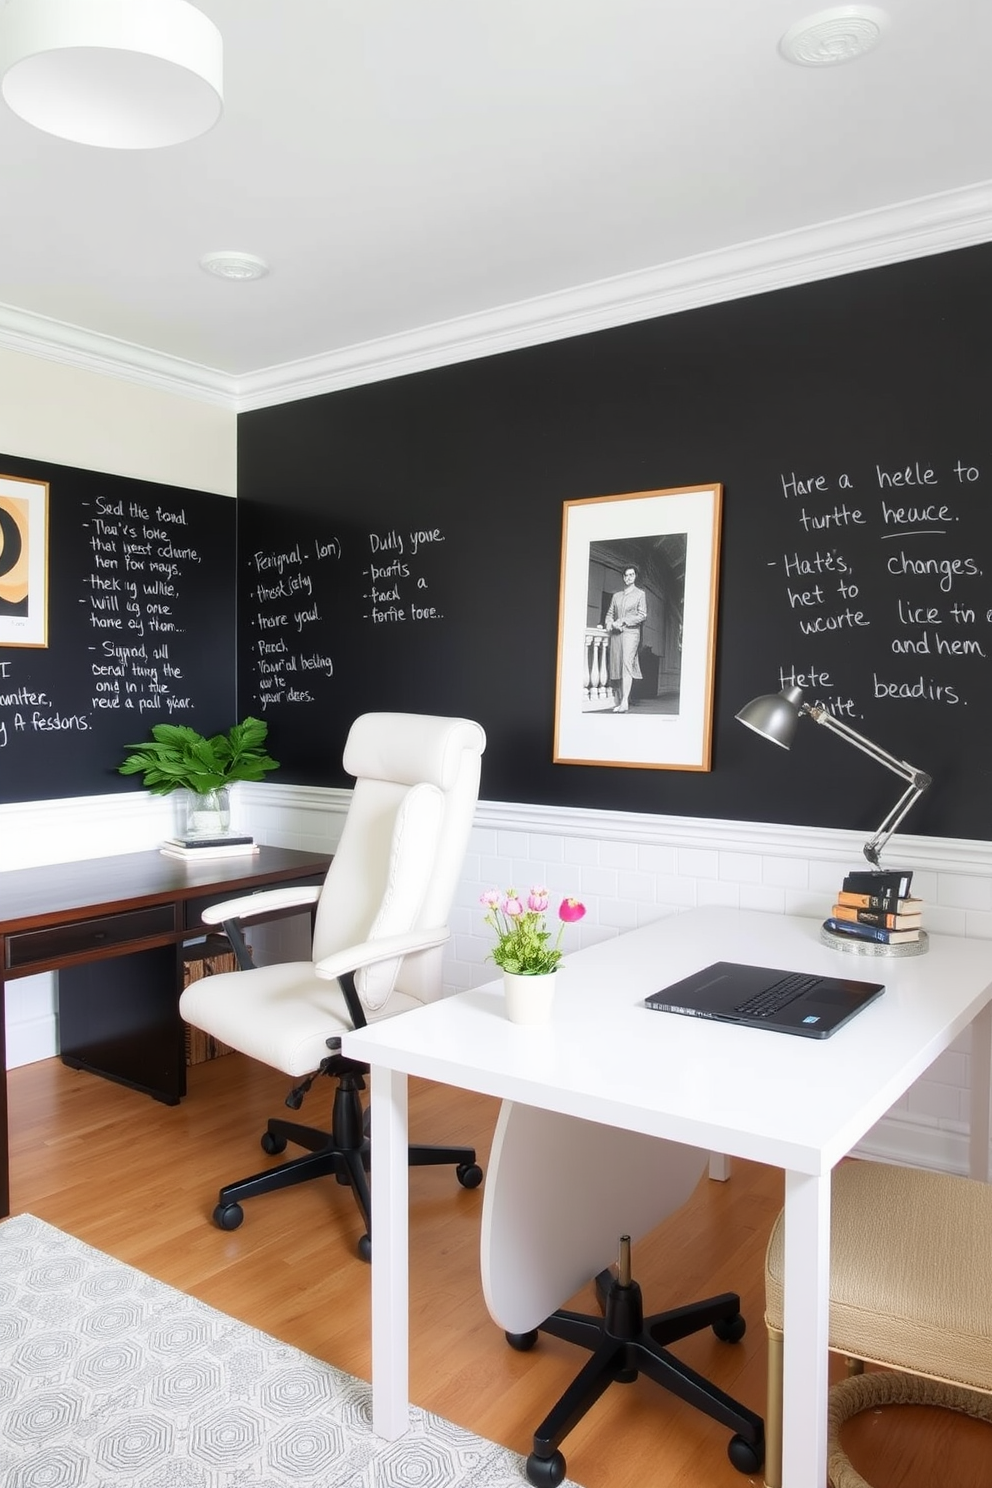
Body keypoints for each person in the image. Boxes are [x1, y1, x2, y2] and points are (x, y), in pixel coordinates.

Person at [605, 565, 647, 713]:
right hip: (617, 634)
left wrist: (623, 620)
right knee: (616, 665)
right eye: (626, 575)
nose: (628, 577)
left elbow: (642, 615)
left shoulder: (640, 594)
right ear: (623, 577)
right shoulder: (616, 596)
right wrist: (610, 623)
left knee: (626, 665)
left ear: (635, 576)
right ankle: (622, 700)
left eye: (631, 575)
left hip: (631, 634)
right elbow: (610, 613)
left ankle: (624, 702)